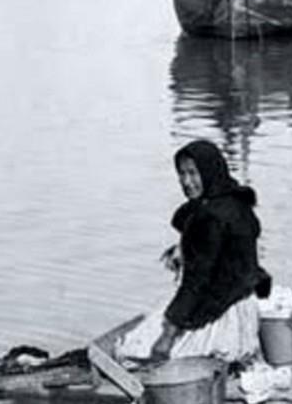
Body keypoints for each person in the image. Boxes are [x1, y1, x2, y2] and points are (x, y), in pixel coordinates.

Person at [116, 140, 271, 362]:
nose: (186, 182)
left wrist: (167, 337)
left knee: (131, 351)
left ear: (208, 172)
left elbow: (196, 283)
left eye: (193, 173)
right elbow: (202, 230)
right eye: (181, 174)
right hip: (243, 306)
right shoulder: (235, 201)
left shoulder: (211, 217)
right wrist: (185, 246)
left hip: (221, 317)